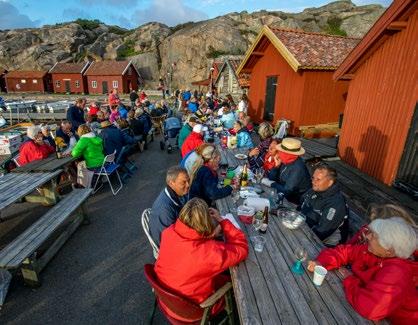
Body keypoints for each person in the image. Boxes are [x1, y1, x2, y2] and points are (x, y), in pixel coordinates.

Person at [308, 217, 418, 324]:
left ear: (389, 250)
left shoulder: (398, 271)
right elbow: (344, 252)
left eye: (374, 236)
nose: (368, 236)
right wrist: (321, 262)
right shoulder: (374, 251)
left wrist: (350, 280)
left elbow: (370, 308)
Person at [155, 198, 248, 321]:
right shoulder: (208, 253)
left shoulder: (168, 232)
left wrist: (210, 236)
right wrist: (222, 221)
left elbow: (190, 245)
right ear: (206, 222)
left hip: (167, 301)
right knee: (232, 279)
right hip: (192, 311)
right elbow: (242, 249)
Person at [300, 164, 349, 246]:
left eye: (318, 179)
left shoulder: (336, 203)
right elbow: (301, 206)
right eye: (313, 178)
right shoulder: (316, 189)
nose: (313, 181)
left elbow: (322, 232)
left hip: (326, 245)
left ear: (330, 183)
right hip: (305, 229)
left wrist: (300, 236)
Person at [149, 166, 190, 246]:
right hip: (168, 245)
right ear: (171, 183)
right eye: (183, 182)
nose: (188, 185)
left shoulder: (178, 192)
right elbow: (169, 241)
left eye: (188, 180)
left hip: (177, 233)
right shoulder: (164, 210)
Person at [268, 138, 311, 203]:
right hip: (282, 194)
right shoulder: (286, 161)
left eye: (281, 151)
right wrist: (276, 167)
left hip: (295, 201)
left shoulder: (297, 168)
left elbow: (287, 190)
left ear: (287, 153)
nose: (279, 152)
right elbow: (271, 178)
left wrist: (271, 184)